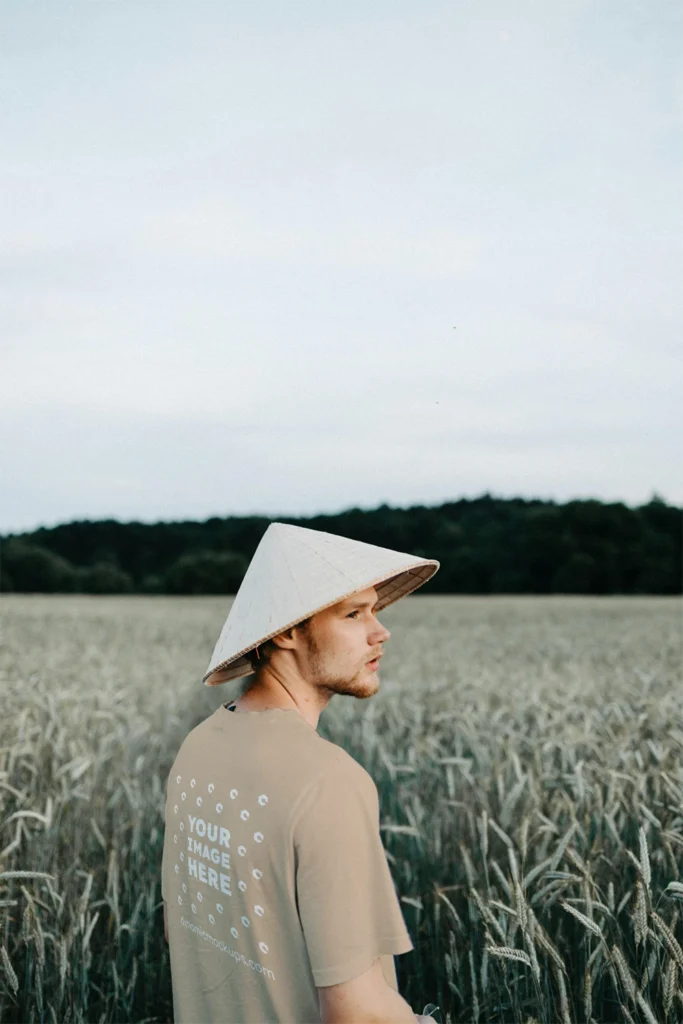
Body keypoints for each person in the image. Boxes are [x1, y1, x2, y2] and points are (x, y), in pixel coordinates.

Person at [161, 521, 440, 1023]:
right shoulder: (328, 781)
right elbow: (357, 1012)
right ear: (287, 629)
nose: (381, 631)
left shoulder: (196, 749)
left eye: (375, 610)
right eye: (354, 613)